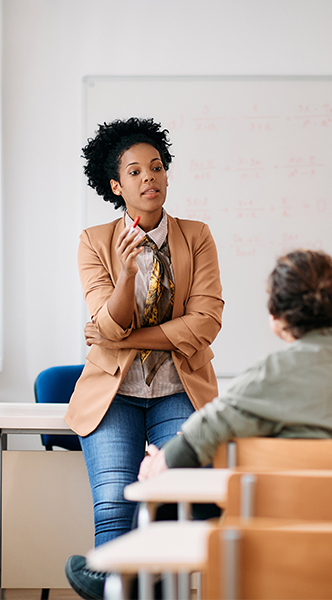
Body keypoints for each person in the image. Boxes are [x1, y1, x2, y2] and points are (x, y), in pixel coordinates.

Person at [64, 117, 224, 600]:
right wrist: (128, 271)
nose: (149, 178)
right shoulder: (95, 241)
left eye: (156, 167)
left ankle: (146, 590)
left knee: (173, 502)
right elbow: (109, 325)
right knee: (115, 505)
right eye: (134, 172)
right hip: (114, 397)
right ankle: (115, 589)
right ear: (116, 185)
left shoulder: (196, 235)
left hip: (179, 388)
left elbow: (206, 322)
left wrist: (121, 338)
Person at [139, 249, 332, 480]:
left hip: (280, 533)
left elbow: (204, 431)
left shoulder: (273, 373)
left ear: (275, 313)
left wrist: (159, 464)